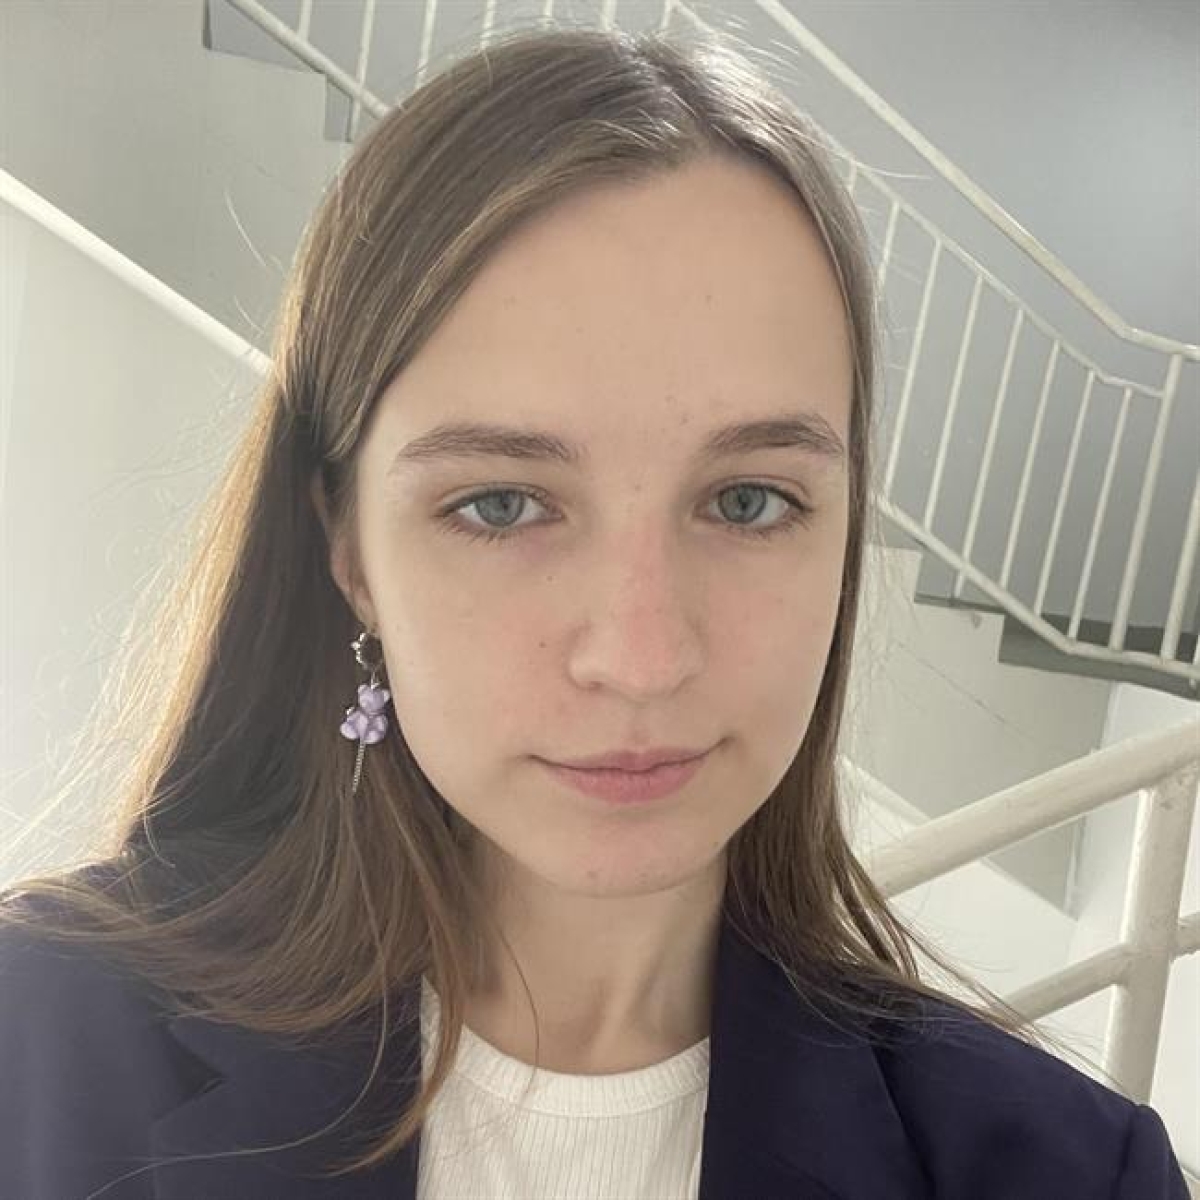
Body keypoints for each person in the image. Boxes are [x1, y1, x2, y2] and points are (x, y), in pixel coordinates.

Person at [0, 21, 1189, 1200]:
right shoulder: (37, 1049)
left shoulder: (1076, 1174)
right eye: (502, 504)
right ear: (348, 549)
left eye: (749, 500)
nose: (641, 656)